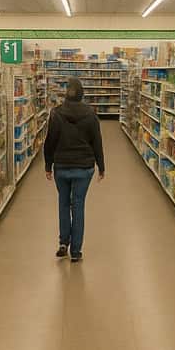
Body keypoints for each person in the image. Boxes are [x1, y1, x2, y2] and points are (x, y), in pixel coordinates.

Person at [44, 77, 105, 262]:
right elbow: (97, 142)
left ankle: (63, 242)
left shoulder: (56, 114)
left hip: (61, 167)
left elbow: (49, 142)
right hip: (84, 168)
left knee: (63, 203)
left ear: (66, 93)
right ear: (82, 94)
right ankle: (76, 251)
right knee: (78, 206)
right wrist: (101, 166)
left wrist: (48, 165)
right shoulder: (91, 115)